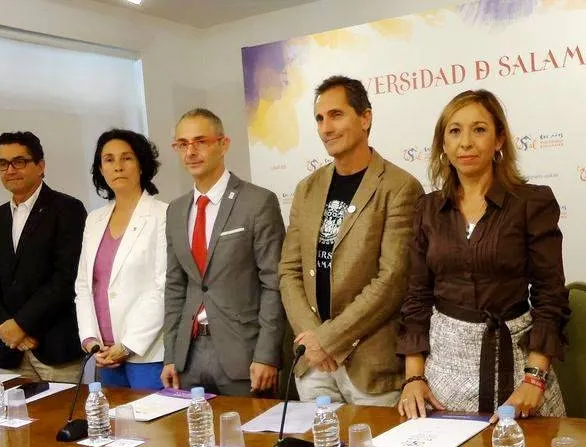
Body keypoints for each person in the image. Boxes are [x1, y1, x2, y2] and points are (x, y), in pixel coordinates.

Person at [397, 89, 569, 419]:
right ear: (443, 144)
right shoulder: (427, 209)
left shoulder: (532, 202)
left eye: (479, 130)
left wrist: (535, 379)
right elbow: (416, 297)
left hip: (517, 363)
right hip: (444, 369)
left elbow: (551, 297)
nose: (466, 143)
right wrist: (414, 377)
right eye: (455, 131)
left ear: (499, 139)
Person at [280, 75, 424, 405]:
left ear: (365, 117)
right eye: (319, 118)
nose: (326, 128)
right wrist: (313, 342)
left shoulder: (400, 187)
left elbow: (391, 281)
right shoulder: (306, 188)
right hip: (314, 365)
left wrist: (329, 339)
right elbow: (289, 272)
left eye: (336, 115)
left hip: (370, 368)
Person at [161, 108, 286, 396]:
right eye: (182, 144)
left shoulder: (257, 202)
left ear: (223, 144)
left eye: (200, 141)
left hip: (244, 354)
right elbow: (175, 287)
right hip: (188, 357)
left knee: (249, 439)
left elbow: (273, 284)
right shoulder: (176, 210)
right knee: (196, 440)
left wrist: (267, 354)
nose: (190, 152)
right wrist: (171, 355)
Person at [0, 131, 87, 382]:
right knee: (12, 421)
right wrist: (7, 328)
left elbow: (66, 278)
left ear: (41, 166)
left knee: (60, 420)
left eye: (19, 161)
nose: (10, 169)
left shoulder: (67, 209)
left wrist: (22, 325)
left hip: (56, 346)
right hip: (10, 351)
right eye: (2, 163)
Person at [74, 129, 168, 389]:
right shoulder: (94, 220)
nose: (118, 167)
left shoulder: (163, 215)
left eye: (126, 158)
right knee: (113, 427)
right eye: (109, 159)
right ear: (100, 169)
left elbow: (164, 286)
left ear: (141, 165)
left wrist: (127, 345)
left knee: (154, 428)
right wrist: (90, 340)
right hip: (103, 353)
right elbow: (84, 285)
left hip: (146, 352)